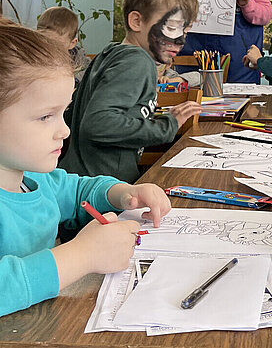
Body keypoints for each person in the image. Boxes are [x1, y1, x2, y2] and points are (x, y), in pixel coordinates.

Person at [0, 19, 172, 317]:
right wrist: (82, 256)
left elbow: (78, 188)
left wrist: (124, 193)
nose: (64, 131)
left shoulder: (34, 179)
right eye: (45, 117)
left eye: (62, 113)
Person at [60, 0, 202, 184]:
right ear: (136, 21)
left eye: (185, 31)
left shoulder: (111, 53)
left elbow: (73, 118)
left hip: (81, 181)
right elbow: (98, 124)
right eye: (172, 28)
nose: (181, 40)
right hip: (102, 188)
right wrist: (167, 125)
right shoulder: (136, 61)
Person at [37, 6, 90, 84]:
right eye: (43, 42)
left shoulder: (82, 66)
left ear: (72, 43)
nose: (49, 49)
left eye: (57, 46)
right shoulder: (30, 58)